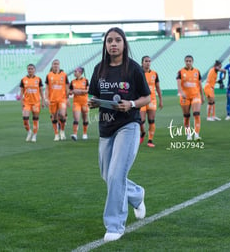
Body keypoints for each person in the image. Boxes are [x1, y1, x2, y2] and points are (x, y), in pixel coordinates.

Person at [88, 27, 151, 242]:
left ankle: (114, 225)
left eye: (117, 40)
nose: (113, 44)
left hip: (128, 126)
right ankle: (136, 194)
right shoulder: (99, 69)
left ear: (124, 44)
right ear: (105, 45)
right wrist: (93, 103)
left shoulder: (133, 69)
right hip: (106, 128)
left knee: (115, 175)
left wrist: (131, 103)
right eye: (109, 41)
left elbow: (147, 98)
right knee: (108, 176)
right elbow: (94, 96)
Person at [176, 55, 205, 141]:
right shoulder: (180, 72)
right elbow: (178, 83)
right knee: (186, 116)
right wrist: (181, 92)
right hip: (185, 97)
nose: (188, 62)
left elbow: (199, 84)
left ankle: (196, 134)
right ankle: (188, 134)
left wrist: (202, 96)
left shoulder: (197, 72)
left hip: (196, 95)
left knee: (196, 114)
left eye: (190, 61)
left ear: (192, 62)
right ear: (185, 62)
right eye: (187, 61)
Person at [139, 55, 163, 148]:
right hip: (141, 99)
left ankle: (150, 140)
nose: (148, 63)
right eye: (146, 61)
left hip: (152, 99)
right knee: (141, 121)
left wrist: (161, 100)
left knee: (151, 120)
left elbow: (157, 87)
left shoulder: (155, 74)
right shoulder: (138, 72)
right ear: (142, 62)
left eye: (149, 61)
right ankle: (143, 132)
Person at [45, 59, 69, 141]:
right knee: (54, 116)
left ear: (59, 65)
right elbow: (47, 88)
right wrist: (46, 98)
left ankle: (62, 131)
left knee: (62, 114)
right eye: (54, 64)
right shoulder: (49, 75)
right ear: (52, 65)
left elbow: (67, 88)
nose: (56, 65)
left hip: (62, 99)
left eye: (57, 64)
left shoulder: (64, 75)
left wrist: (67, 98)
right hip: (52, 99)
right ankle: (56, 134)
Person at [20, 64, 44, 142]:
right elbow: (21, 93)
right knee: (25, 119)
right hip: (27, 103)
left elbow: (41, 91)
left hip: (36, 103)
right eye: (29, 69)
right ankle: (29, 132)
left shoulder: (38, 79)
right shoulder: (23, 79)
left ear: (34, 70)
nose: (30, 70)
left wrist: (43, 100)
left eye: (31, 69)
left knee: (35, 119)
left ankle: (34, 135)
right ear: (27, 70)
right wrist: (21, 103)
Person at [69, 66, 89, 141]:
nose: (74, 73)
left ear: (80, 72)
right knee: (76, 118)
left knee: (85, 118)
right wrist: (71, 92)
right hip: (76, 102)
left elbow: (88, 91)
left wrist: (79, 91)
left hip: (84, 102)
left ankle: (85, 133)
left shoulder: (86, 80)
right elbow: (70, 92)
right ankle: (75, 134)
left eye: (76, 71)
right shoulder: (73, 82)